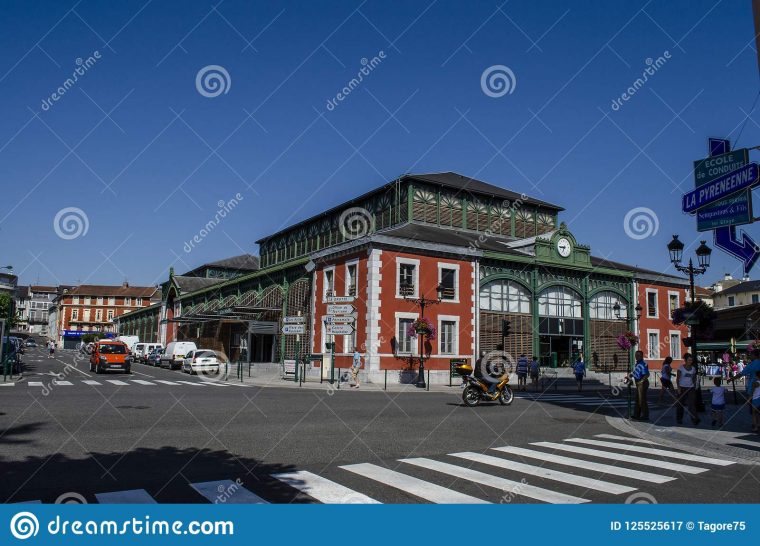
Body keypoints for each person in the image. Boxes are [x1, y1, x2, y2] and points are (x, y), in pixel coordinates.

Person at [729, 349, 760, 427]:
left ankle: (755, 425)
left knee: (753, 410)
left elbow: (741, 374)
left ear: (754, 355)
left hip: (753, 387)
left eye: (751, 355)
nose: (750, 356)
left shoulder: (751, 364)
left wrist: (732, 378)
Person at [676, 353, 699, 425]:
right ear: (685, 360)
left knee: (692, 404)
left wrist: (695, 385)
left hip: (690, 388)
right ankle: (679, 419)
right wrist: (679, 388)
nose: (690, 361)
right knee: (680, 404)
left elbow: (694, 378)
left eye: (691, 360)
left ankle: (694, 419)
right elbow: (678, 378)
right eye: (689, 360)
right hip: (682, 387)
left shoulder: (693, 369)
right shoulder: (681, 368)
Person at [632, 350, 650, 421]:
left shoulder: (643, 363)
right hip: (638, 383)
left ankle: (645, 416)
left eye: (638, 355)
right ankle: (637, 415)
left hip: (642, 383)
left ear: (642, 356)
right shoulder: (637, 364)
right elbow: (636, 373)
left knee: (642, 400)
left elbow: (647, 374)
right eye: (636, 355)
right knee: (637, 399)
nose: (637, 357)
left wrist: (641, 382)